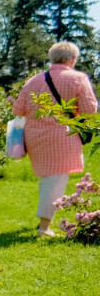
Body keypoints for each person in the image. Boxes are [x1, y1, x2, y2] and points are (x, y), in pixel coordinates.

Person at [11, 41, 98, 238]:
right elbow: (89, 110)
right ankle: (44, 227)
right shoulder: (78, 78)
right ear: (72, 59)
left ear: (52, 58)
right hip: (63, 137)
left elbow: (18, 109)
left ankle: (44, 221)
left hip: (34, 138)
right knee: (55, 182)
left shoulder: (33, 81)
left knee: (47, 179)